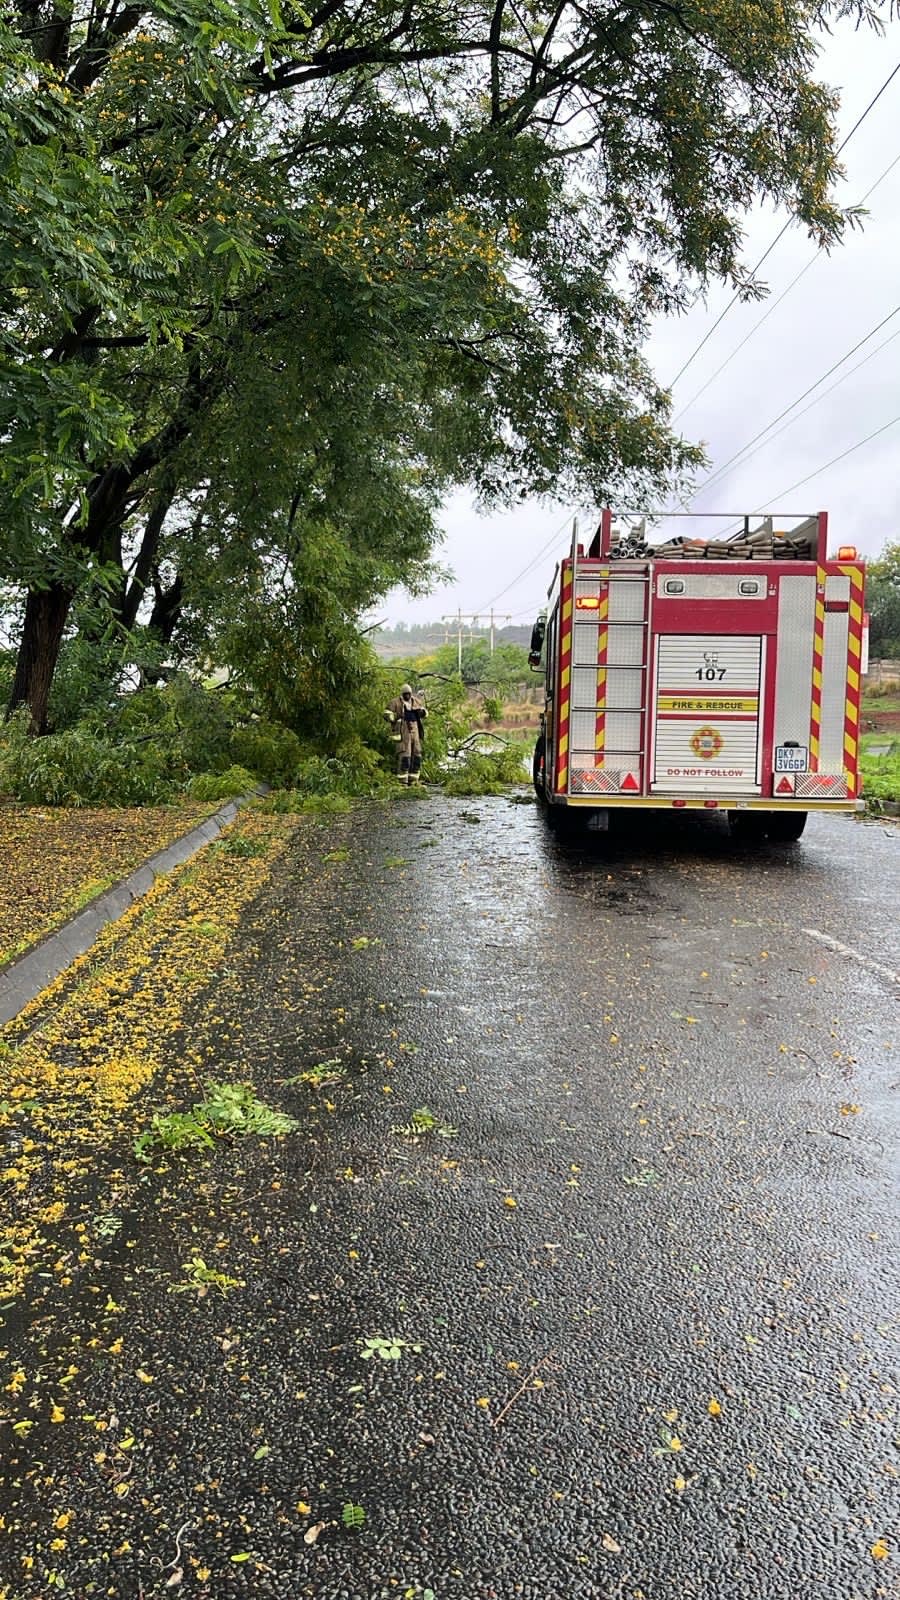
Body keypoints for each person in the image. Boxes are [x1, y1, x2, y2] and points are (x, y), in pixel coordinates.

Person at [385, 683, 427, 785]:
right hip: (403, 732)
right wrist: (397, 715)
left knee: (417, 755)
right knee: (405, 756)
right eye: (405, 694)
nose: (407, 696)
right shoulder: (395, 702)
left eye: (409, 694)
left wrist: (422, 713)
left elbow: (425, 713)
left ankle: (414, 781)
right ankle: (402, 782)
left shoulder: (416, 701)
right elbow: (386, 714)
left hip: (415, 731)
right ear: (402, 694)